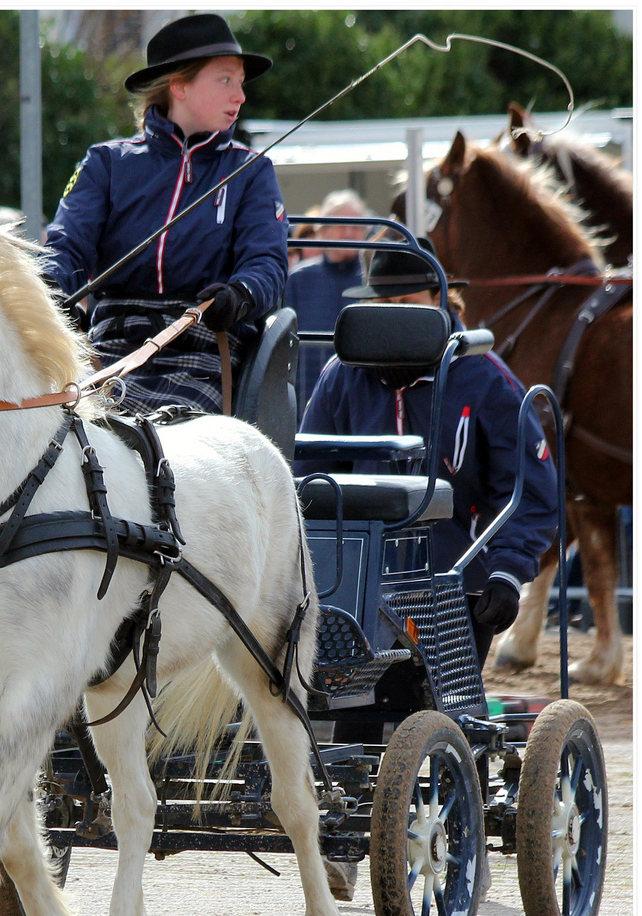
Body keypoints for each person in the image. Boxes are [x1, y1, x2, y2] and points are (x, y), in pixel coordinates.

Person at [295, 238, 560, 666]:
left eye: (408, 300)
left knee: (437, 713)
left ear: (439, 297)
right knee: (353, 711)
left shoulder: (487, 379)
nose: (396, 312)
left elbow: (529, 489)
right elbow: (311, 477)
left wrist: (507, 572)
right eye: (385, 302)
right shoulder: (340, 375)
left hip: (459, 582)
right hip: (358, 580)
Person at [44, 13, 287, 415]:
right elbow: (66, 247)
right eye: (226, 80)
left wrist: (239, 295)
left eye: (240, 82)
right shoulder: (106, 163)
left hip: (204, 346)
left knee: (164, 436)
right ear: (179, 85)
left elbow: (267, 264)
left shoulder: (251, 171)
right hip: (109, 348)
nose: (240, 96)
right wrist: (50, 293)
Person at [285, 189, 369, 408]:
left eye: (357, 227)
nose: (350, 233)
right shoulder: (298, 279)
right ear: (323, 230)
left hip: (361, 393)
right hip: (306, 393)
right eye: (342, 225)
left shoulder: (372, 281)